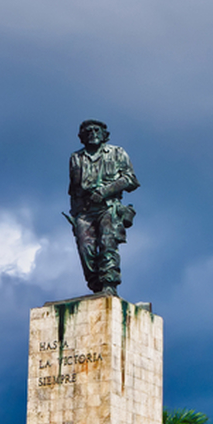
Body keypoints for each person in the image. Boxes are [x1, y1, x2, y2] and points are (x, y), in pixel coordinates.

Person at [68, 120, 139, 296]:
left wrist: (106, 191)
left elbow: (130, 180)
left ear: (104, 134)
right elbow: (74, 190)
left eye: (96, 130)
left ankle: (109, 283)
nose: (92, 133)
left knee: (108, 244)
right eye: (88, 131)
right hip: (84, 212)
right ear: (82, 137)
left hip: (108, 207)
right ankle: (95, 286)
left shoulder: (117, 153)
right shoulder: (76, 158)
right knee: (86, 250)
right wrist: (75, 216)